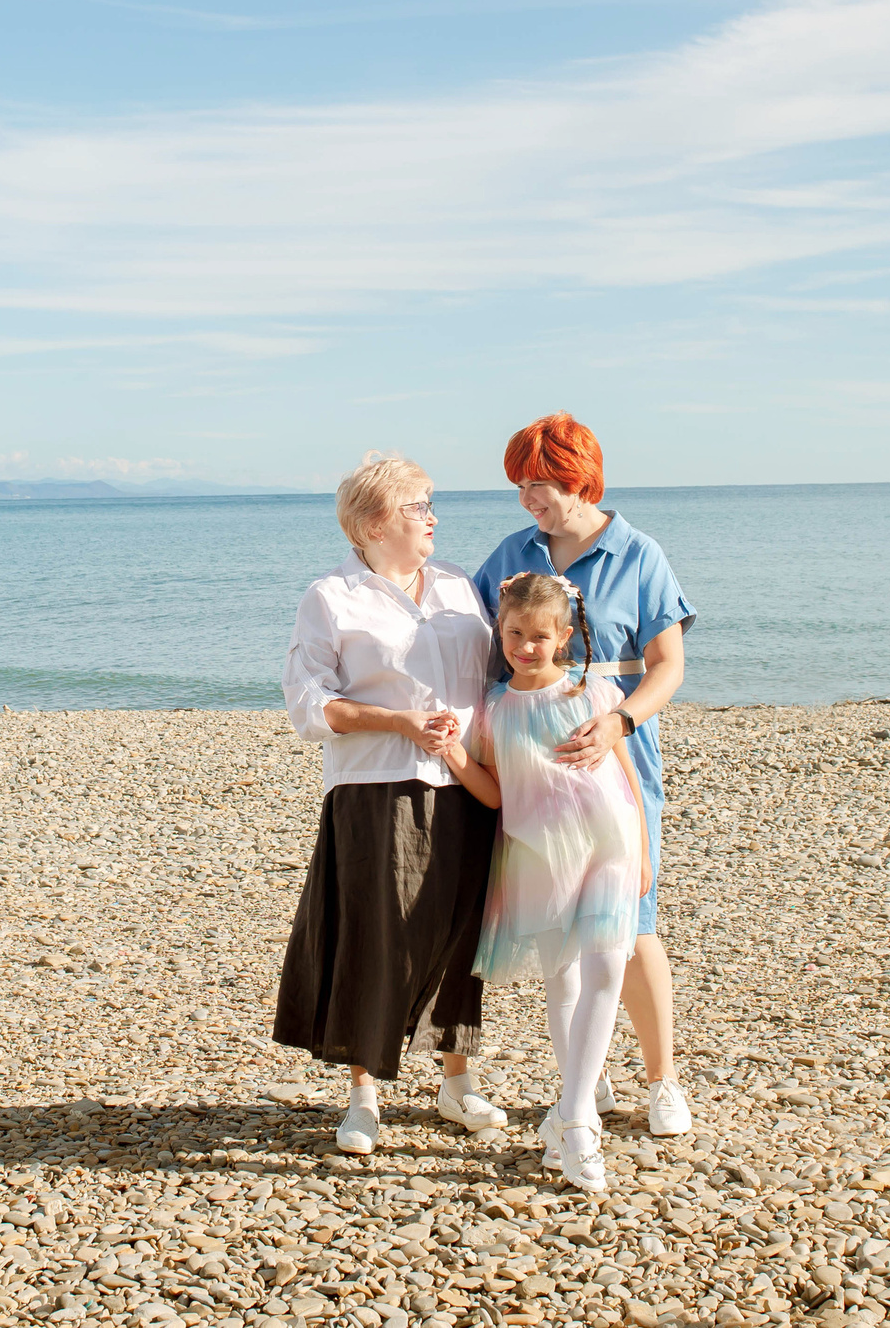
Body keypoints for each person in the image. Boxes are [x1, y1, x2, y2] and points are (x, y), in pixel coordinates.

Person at [274, 453, 510, 1155]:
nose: (432, 517)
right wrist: (399, 722)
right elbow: (308, 704)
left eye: (431, 504)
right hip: (375, 786)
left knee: (462, 934)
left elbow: (499, 677)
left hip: (466, 783)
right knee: (375, 936)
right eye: (417, 506)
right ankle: (364, 1095)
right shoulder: (331, 596)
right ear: (375, 523)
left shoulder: (460, 586)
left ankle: (457, 1081)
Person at [472, 412, 697, 1138]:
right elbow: (476, 645)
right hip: (530, 769)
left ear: (579, 479)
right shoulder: (512, 554)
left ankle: (662, 1079)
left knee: (632, 921)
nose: (527, 499)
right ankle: (584, 1082)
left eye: (538, 484)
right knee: (560, 930)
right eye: (520, 486)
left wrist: (619, 721)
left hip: (614, 757)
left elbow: (668, 665)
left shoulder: (638, 553)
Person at [462, 571, 648, 1194]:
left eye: (540, 636)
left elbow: (626, 774)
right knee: (562, 979)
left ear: (564, 637)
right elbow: (494, 792)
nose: (526, 647)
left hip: (610, 842)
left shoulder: (592, 692)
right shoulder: (492, 707)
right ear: (500, 631)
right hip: (538, 854)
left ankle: (576, 1121)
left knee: (607, 969)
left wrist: (643, 850)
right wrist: (454, 756)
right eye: (515, 634)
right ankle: (572, 1111)